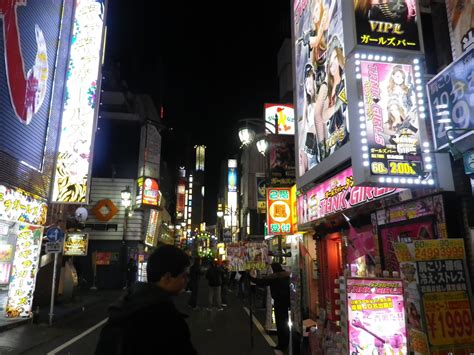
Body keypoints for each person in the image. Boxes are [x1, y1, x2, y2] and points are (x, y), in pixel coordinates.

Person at [95, 245, 197, 355]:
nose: (187, 280)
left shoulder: (122, 309)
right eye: (184, 276)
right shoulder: (167, 321)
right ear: (167, 278)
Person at [249, 262, 291, 351]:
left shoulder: (275, 278)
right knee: (285, 323)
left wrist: (251, 278)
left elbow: (261, 282)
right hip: (286, 302)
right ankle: (286, 343)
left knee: (280, 324)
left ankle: (281, 344)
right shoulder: (286, 276)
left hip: (278, 302)